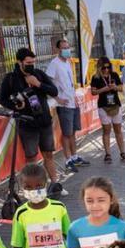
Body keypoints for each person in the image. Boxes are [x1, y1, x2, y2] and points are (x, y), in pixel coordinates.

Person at [0, 48, 63, 195]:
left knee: (49, 154)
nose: (31, 65)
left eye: (33, 62)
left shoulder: (39, 74)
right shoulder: (11, 78)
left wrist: (38, 84)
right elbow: (2, 99)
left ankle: (55, 184)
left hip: (45, 122)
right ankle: (34, 189)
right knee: (32, 158)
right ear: (19, 62)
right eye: (28, 63)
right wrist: (16, 105)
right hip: (27, 124)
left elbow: (54, 91)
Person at [11, 163, 74, 248]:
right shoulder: (21, 213)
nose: (34, 191)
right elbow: (17, 247)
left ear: (46, 184)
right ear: (22, 189)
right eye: (28, 187)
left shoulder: (59, 207)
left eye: (38, 186)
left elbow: (70, 236)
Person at [47, 38, 89, 169]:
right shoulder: (54, 64)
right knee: (66, 133)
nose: (66, 50)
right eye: (63, 48)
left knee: (72, 132)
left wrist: (75, 96)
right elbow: (48, 82)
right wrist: (57, 98)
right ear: (57, 50)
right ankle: (68, 159)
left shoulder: (68, 62)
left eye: (67, 47)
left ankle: (75, 156)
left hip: (72, 102)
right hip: (63, 104)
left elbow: (70, 82)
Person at [89, 58, 125, 163]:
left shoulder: (114, 75)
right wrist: (104, 89)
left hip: (115, 105)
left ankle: (122, 152)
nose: (106, 70)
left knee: (118, 130)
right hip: (103, 107)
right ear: (99, 67)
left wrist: (115, 87)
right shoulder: (95, 77)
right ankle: (108, 154)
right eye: (104, 68)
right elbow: (93, 92)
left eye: (108, 67)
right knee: (106, 130)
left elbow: (121, 88)